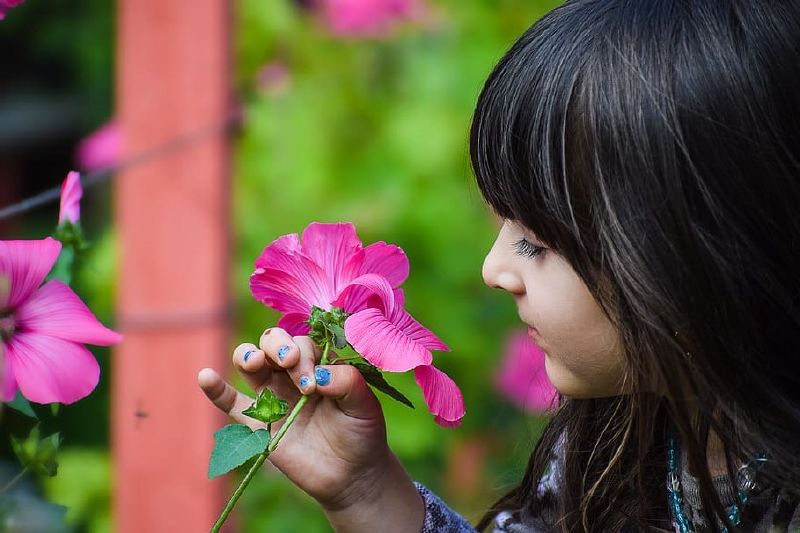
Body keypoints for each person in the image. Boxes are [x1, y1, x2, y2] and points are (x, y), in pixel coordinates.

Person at [198, 0, 800, 531]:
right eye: (503, 226)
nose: (494, 269)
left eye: (536, 243)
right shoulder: (609, 447)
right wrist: (367, 495)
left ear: (710, 246)